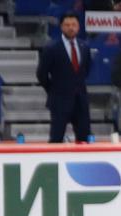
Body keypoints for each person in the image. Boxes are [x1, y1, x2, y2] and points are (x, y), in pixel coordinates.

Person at [36, 13, 92, 143]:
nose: (71, 28)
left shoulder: (84, 47)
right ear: (61, 27)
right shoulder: (51, 48)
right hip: (59, 100)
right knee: (56, 138)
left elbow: (86, 70)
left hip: (80, 100)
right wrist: (53, 90)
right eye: (67, 25)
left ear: (78, 27)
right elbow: (41, 74)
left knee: (85, 138)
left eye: (74, 25)